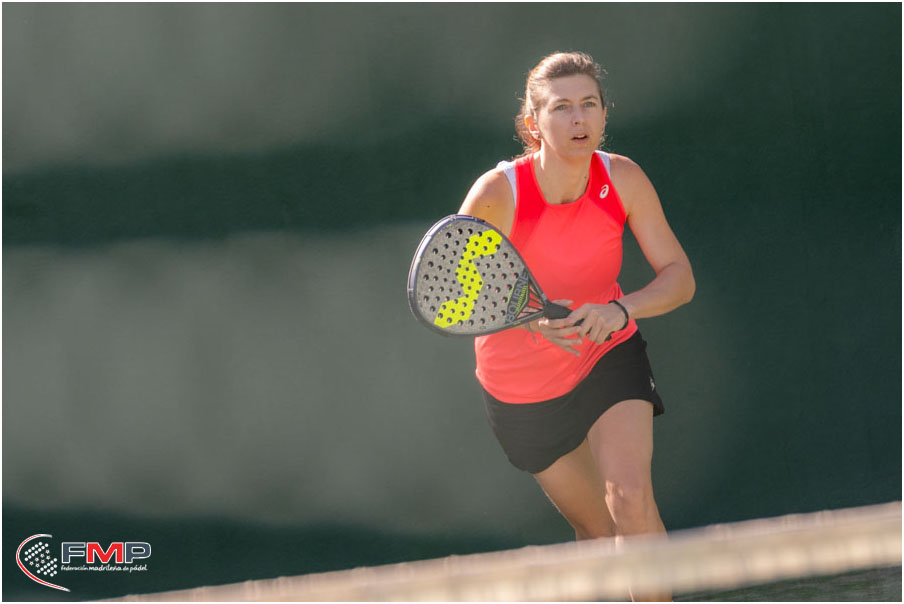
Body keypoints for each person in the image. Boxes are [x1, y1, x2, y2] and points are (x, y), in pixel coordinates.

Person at [458, 51, 694, 601]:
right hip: (521, 387)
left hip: (606, 351)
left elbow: (679, 277)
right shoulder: (498, 194)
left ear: (604, 115)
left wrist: (621, 310)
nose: (578, 118)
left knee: (630, 500)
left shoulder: (624, 178)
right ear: (532, 124)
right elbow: (457, 296)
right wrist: (529, 322)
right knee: (597, 532)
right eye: (561, 108)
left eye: (589, 104)